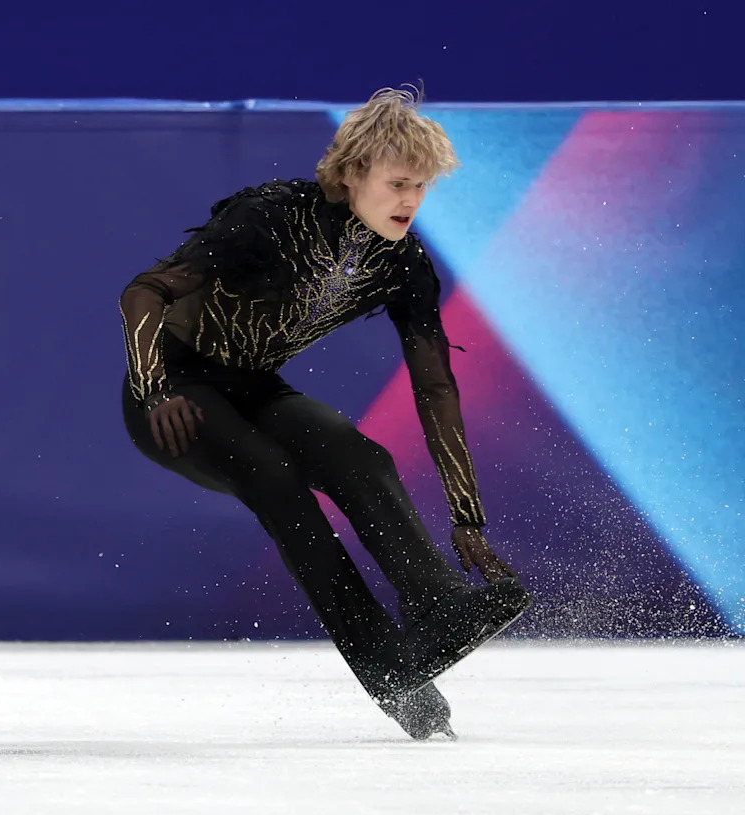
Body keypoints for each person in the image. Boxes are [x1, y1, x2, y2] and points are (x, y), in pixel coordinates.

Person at [118, 86, 532, 740]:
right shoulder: (269, 218)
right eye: (398, 183)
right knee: (276, 480)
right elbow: (143, 292)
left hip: (253, 386)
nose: (410, 202)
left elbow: (435, 389)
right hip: (173, 393)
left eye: (422, 188)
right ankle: (390, 673)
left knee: (359, 455)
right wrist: (151, 387)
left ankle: (438, 610)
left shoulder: (403, 263)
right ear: (349, 175)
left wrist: (466, 515)